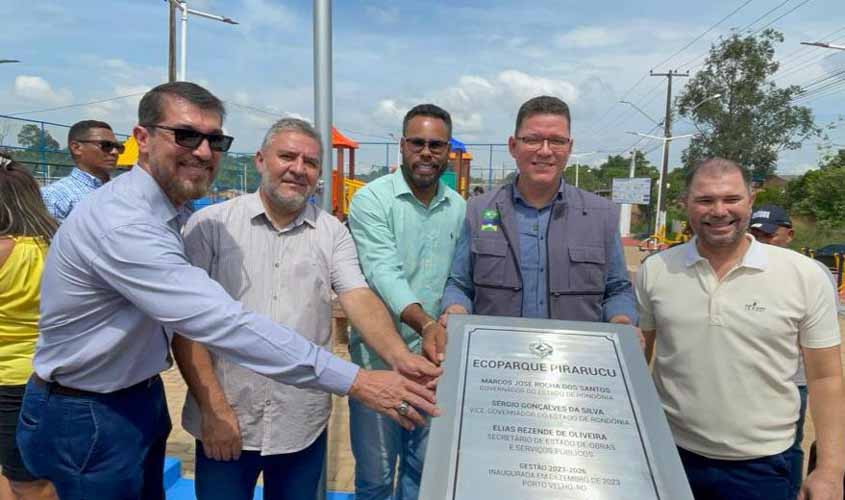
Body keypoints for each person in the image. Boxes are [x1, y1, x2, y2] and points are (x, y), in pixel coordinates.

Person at [16, 82, 439, 500]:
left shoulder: (320, 230)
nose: (202, 151)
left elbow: (357, 294)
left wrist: (400, 359)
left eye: (214, 140)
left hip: (169, 403)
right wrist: (355, 381)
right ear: (142, 138)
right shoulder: (156, 224)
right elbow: (212, 323)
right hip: (101, 411)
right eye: (185, 136)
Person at [172, 118, 440, 500]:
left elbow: (358, 295)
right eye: (287, 157)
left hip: (300, 422)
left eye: (311, 162)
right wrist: (212, 408)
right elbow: (187, 327)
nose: (299, 169)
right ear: (261, 160)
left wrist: (399, 357)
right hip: (227, 418)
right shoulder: (211, 226)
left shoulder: (331, 232)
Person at [636, 158, 844, 500]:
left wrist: (831, 470)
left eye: (731, 199)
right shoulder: (656, 270)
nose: (719, 211)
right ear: (685, 203)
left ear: (751, 198)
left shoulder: (803, 275)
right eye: (705, 200)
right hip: (671, 457)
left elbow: (825, 378)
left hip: (763, 466)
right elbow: (639, 359)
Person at [347, 104, 466, 500]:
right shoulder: (371, 201)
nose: (427, 152)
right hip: (379, 364)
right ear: (402, 146)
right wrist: (428, 324)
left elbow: (459, 280)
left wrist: (448, 321)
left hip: (435, 368)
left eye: (436, 144)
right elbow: (383, 271)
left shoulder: (460, 209)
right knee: (376, 479)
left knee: (423, 475)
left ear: (448, 150)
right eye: (418, 143)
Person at [440, 95, 636, 327]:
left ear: (569, 147)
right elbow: (460, 284)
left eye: (556, 141)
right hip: (496, 357)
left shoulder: (601, 216)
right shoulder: (480, 211)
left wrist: (622, 321)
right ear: (513, 146)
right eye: (532, 140)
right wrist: (455, 310)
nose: (544, 151)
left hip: (575, 358)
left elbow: (617, 290)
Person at [749, 203, 843, 498]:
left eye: (767, 235)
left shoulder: (811, 273)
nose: (760, 242)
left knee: (788, 447)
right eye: (754, 234)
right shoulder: (745, 267)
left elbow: (822, 344)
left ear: (788, 235)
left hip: (792, 379)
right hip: (751, 375)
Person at [0, 154, 57, 500]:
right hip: (53, 374)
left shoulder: (5, 250)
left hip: (10, 381)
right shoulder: (58, 244)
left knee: (25, 481)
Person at [40, 120, 122, 222]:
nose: (115, 152)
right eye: (106, 145)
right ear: (76, 148)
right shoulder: (53, 196)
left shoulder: (125, 191)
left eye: (118, 147)